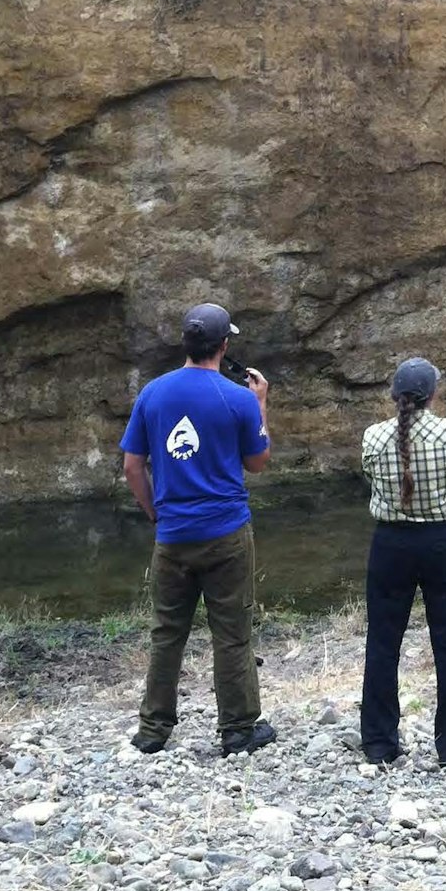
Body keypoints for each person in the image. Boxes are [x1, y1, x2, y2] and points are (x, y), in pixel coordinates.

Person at [121, 302, 275, 758]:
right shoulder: (240, 397)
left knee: (167, 631)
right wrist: (261, 402)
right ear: (225, 346)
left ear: (185, 344)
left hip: (172, 536)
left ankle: (153, 729)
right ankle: (238, 730)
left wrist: (155, 513)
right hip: (227, 534)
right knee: (231, 633)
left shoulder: (153, 393)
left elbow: (133, 466)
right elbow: (258, 462)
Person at [359, 357, 446, 767]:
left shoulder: (373, 437)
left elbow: (371, 479)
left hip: (391, 544)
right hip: (443, 541)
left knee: (382, 643)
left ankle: (378, 743)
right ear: (432, 395)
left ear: (394, 396)